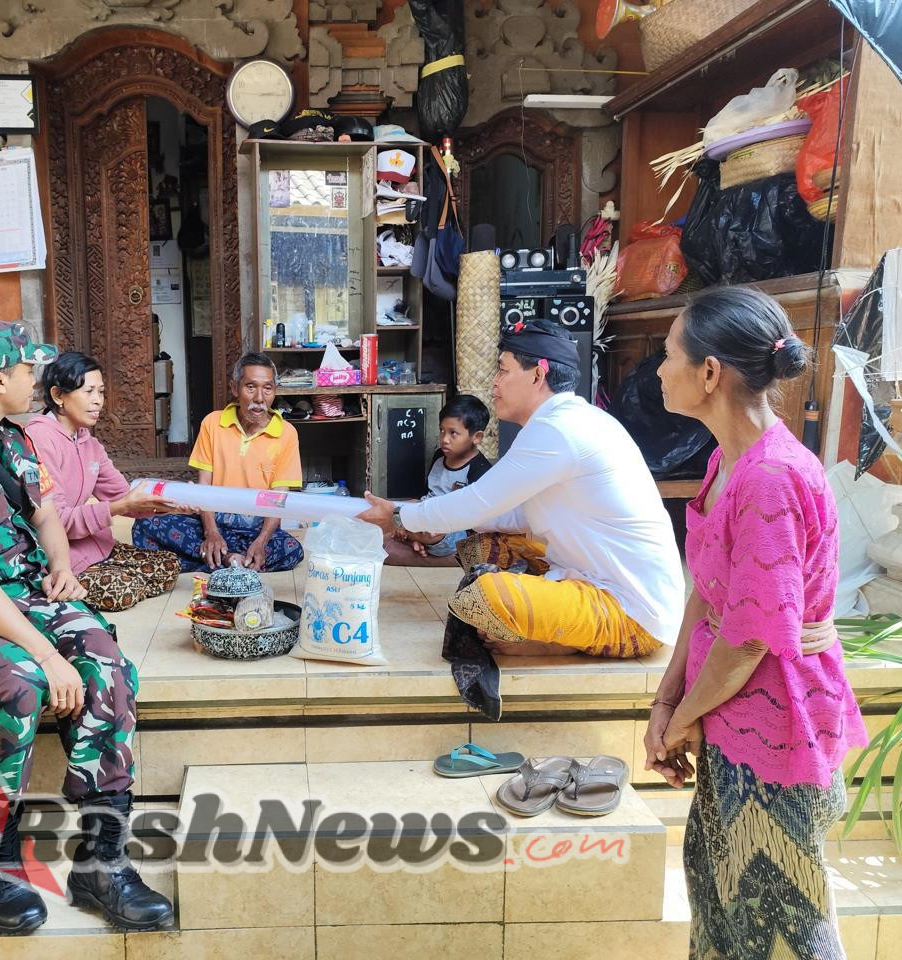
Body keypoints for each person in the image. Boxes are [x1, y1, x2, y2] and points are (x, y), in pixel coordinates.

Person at [0, 321, 171, 934]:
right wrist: (47, 654)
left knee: (109, 663)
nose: (37, 381)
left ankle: (102, 861)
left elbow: (45, 513)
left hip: (27, 596)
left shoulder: (14, 439)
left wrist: (63, 568)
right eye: (28, 372)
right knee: (16, 680)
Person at [646, 287, 867, 959]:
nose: (658, 370)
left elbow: (748, 638)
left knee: (784, 924)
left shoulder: (771, 478)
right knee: (719, 905)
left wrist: (681, 719)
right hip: (730, 722)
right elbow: (707, 598)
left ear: (709, 373)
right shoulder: (727, 462)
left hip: (777, 732)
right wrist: (667, 701)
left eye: (668, 355)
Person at [359, 319, 684, 659]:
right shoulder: (570, 420)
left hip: (632, 612)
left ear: (537, 375)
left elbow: (479, 501)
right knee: (480, 549)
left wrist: (399, 517)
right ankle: (556, 629)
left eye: (503, 371)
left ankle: (558, 643)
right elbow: (512, 513)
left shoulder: (559, 429)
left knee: (484, 595)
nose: (494, 383)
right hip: (594, 578)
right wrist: (432, 529)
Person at [25, 352, 182, 611]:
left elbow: (123, 495)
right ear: (58, 396)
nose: (98, 401)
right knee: (123, 590)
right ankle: (61, 585)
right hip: (60, 556)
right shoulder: (39, 439)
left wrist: (171, 503)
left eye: (101, 392)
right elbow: (58, 521)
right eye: (88, 392)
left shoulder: (90, 443)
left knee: (168, 565)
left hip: (98, 547)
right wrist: (118, 508)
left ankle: (106, 573)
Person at [133, 352, 304, 571]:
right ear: (235, 388)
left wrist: (261, 542)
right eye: (250, 387)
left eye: (267, 388)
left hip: (256, 526)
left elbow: (279, 499)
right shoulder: (212, 423)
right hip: (213, 518)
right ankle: (229, 558)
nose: (259, 398)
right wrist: (211, 532)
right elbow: (204, 487)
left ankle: (221, 558)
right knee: (146, 523)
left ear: (274, 391)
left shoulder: (286, 433)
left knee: (292, 549)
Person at [385, 393, 492, 567]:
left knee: (431, 533)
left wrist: (410, 525)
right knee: (390, 510)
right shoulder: (438, 456)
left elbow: (475, 519)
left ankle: (412, 537)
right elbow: (425, 496)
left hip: (451, 530)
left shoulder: (479, 470)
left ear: (476, 437)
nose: (444, 439)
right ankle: (413, 539)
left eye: (453, 433)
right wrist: (399, 511)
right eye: (442, 430)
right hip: (427, 515)